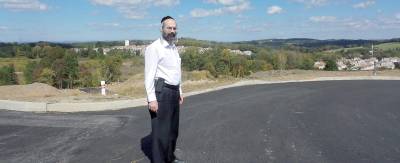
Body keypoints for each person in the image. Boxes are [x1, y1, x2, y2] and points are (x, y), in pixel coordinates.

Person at [144, 16, 184, 163]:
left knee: (173, 131)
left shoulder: (173, 48)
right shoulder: (154, 48)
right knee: (161, 133)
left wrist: (180, 91)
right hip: (161, 92)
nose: (172, 31)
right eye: (169, 28)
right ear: (162, 29)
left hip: (173, 91)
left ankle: (170, 158)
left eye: (174, 28)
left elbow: (177, 71)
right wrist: (151, 98)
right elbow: (149, 75)